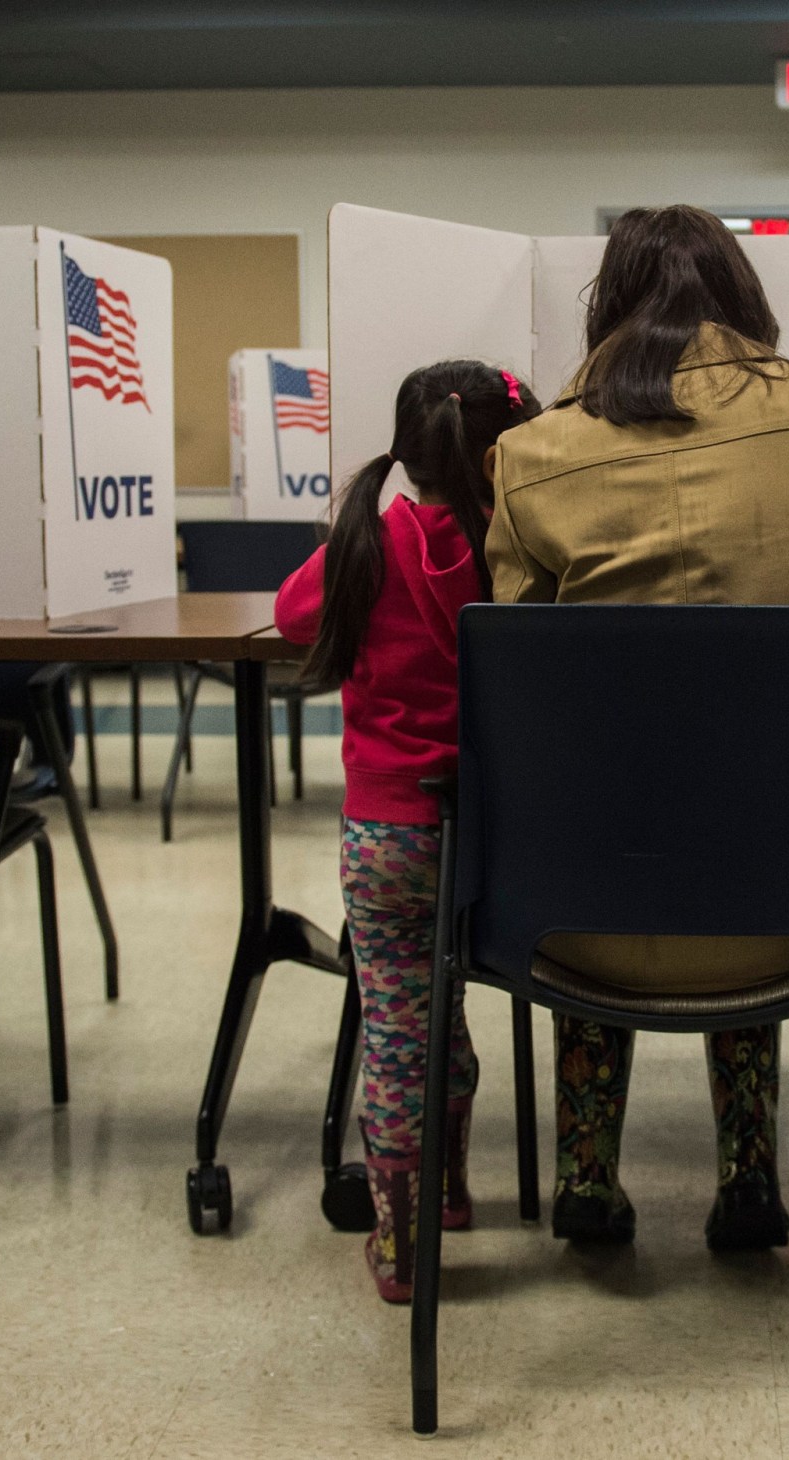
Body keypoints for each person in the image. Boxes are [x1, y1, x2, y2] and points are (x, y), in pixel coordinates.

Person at [485, 204, 789, 1253]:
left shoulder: (529, 451)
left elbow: (509, 672)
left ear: (606, 306)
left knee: (613, 806)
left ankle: (585, 1176)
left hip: (577, 917)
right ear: (741, 295)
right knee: (747, 800)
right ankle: (749, 1175)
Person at [274, 360, 542, 1303]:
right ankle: (455, 1191)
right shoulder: (510, 547)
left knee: (399, 1027)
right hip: (493, 842)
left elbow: (290, 612)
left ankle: (405, 1243)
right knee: (454, 1010)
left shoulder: (370, 540)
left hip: (385, 836)